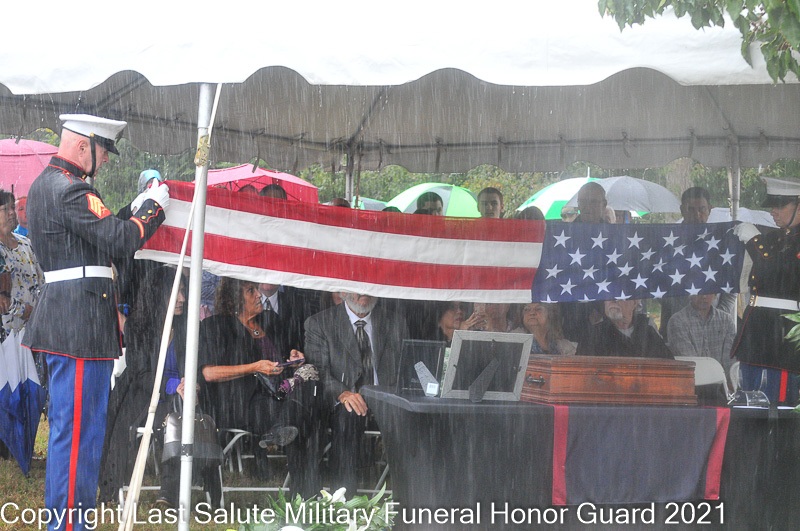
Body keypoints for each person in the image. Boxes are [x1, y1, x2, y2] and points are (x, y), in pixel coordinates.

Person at [24, 114, 169, 531]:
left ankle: (72, 521)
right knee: (78, 437)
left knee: (81, 434)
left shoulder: (54, 185)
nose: (105, 160)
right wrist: (153, 209)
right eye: (103, 150)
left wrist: (134, 211)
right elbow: (121, 240)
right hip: (78, 325)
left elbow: (101, 236)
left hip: (77, 322)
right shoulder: (70, 189)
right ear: (83, 145)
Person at [199, 277, 320, 497]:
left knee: (303, 410)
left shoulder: (270, 320)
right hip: (240, 401)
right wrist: (254, 367)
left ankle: (282, 434)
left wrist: (293, 357)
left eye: (257, 289)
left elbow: (285, 355)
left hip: (280, 394)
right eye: (251, 291)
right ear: (234, 299)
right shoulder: (216, 326)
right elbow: (209, 373)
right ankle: (306, 494)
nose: (259, 295)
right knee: (301, 419)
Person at [304, 292, 408, 494]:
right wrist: (342, 393)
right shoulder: (320, 323)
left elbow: (406, 366)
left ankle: (411, 497)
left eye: (368, 286)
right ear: (343, 291)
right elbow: (318, 371)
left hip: (387, 400)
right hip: (344, 401)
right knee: (348, 418)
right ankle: (343, 498)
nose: (363, 292)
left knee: (417, 419)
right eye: (357, 286)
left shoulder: (395, 322)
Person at [732, 177, 800, 404]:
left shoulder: (765, 242)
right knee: (749, 401)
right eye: (772, 205)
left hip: (782, 335)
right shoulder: (772, 239)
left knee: (778, 406)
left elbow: (779, 273)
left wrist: (754, 241)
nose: (773, 211)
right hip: (757, 333)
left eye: (781, 205)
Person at [659, 187, 736, 339]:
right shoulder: (668, 242)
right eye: (691, 209)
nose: (697, 215)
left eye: (702, 209)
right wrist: (682, 314)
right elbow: (657, 283)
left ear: (710, 209)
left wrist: (717, 315)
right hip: (674, 326)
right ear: (682, 209)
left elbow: (731, 286)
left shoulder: (720, 241)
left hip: (713, 329)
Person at [576, 298, 673, 359]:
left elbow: (668, 365)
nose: (613, 300)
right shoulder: (593, 335)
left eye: (620, 296)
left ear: (635, 303)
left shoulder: (648, 334)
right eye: (609, 296)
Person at [667, 293, 736, 375]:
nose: (704, 296)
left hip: (723, 379)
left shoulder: (726, 320)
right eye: (699, 293)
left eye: (708, 292)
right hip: (693, 378)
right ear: (690, 294)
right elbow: (689, 360)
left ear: (715, 295)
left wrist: (729, 379)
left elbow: (729, 360)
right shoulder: (677, 321)